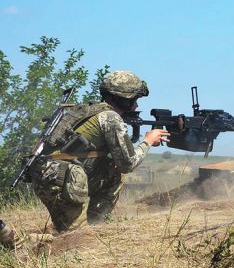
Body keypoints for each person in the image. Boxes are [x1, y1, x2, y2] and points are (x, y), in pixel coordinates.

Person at [31, 70, 169, 232]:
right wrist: (148, 141)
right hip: (61, 179)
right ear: (121, 98)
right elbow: (128, 164)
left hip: (51, 175)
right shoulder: (110, 117)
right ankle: (19, 241)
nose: (136, 106)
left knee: (112, 171)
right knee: (75, 238)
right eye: (133, 100)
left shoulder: (92, 111)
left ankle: (96, 223)